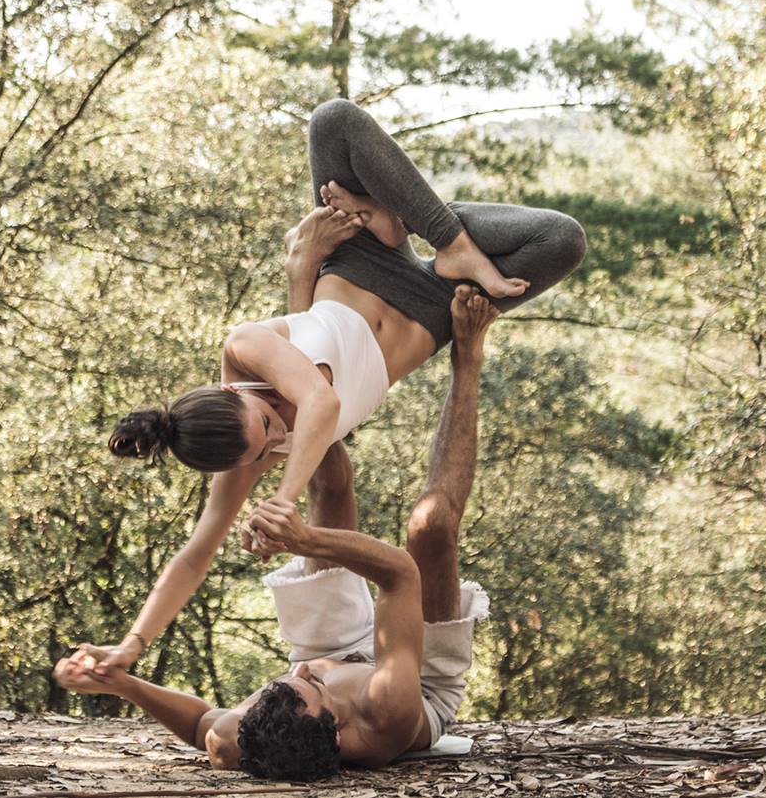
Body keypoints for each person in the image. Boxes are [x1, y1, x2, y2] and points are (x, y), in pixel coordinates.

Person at [95, 100, 583, 675]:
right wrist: (130, 646)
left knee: (333, 121)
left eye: (268, 424)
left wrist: (282, 501)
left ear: (232, 391)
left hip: (360, 264)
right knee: (560, 240)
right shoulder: (248, 452)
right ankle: (403, 217)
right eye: (264, 452)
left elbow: (320, 398)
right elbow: (197, 550)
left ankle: (421, 230)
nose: (278, 437)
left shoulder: (244, 345)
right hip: (435, 311)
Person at [56, 288, 499, 780]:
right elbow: (400, 574)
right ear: (335, 736)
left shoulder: (249, 733)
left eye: (284, 683)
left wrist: (124, 679)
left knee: (328, 480)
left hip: (336, 655)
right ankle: (469, 358)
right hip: (420, 680)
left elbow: (205, 722)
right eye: (310, 688)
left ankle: (307, 327)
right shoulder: (386, 711)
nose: (302, 669)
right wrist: (302, 539)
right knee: (430, 528)